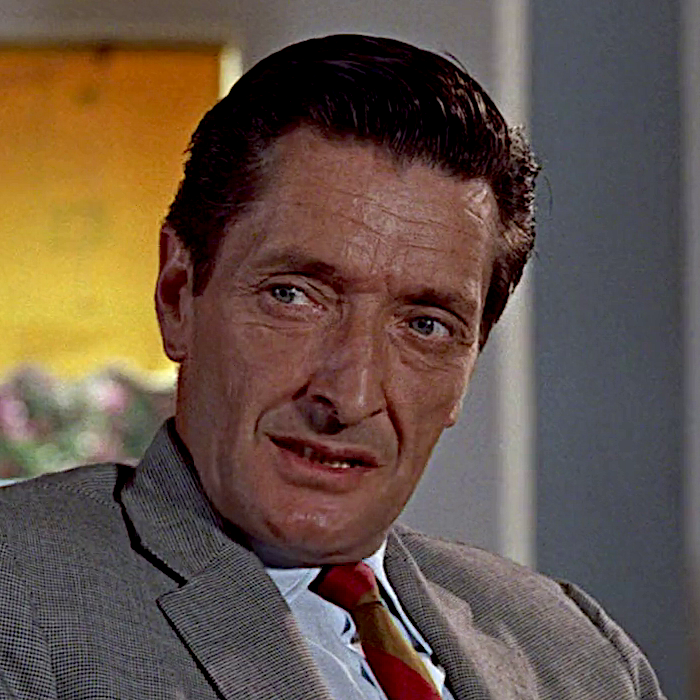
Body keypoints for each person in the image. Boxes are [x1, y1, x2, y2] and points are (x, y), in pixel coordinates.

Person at [0, 34, 665, 700]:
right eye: (294, 296)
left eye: (425, 325)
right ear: (178, 296)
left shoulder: (576, 652)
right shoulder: (23, 598)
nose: (349, 395)